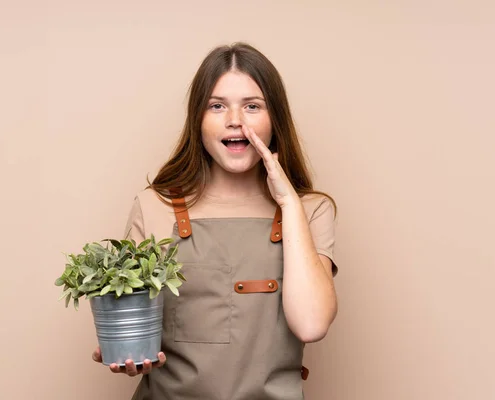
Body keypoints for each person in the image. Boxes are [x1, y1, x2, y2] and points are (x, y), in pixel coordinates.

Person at [92, 42, 339, 400]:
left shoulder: (310, 210)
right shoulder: (154, 206)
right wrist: (127, 349)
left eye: (252, 106)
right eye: (217, 106)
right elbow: (131, 323)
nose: (234, 120)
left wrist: (288, 202)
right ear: (198, 119)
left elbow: (312, 323)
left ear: (275, 119)